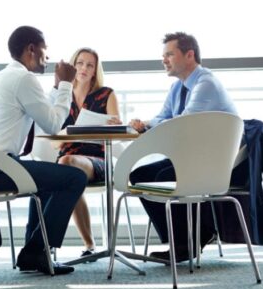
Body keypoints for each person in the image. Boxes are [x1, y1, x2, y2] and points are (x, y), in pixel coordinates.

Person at [0, 26, 88, 276]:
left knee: (47, 179)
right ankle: (37, 250)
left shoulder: (6, 77)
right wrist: (66, 84)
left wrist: (58, 87)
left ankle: (35, 252)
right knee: (74, 178)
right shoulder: (23, 79)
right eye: (45, 49)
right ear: (32, 49)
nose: (48, 56)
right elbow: (54, 123)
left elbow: (42, 110)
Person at [128, 32, 238, 263]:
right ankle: (187, 239)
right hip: (190, 157)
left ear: (189, 55)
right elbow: (164, 117)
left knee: (164, 176)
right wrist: (146, 123)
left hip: (213, 162)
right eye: (163, 55)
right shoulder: (178, 87)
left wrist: (152, 124)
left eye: (169, 54)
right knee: (140, 176)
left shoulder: (205, 83)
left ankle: (190, 240)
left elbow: (184, 123)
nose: (164, 60)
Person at [53, 47, 121, 259]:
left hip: (98, 160)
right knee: (67, 165)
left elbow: (116, 134)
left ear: (95, 71)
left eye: (89, 65)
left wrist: (114, 125)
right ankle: (87, 244)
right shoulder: (61, 96)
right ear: (72, 66)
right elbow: (54, 143)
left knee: (67, 164)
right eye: (80, 63)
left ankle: (84, 244)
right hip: (67, 157)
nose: (83, 68)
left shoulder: (106, 94)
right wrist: (67, 133)